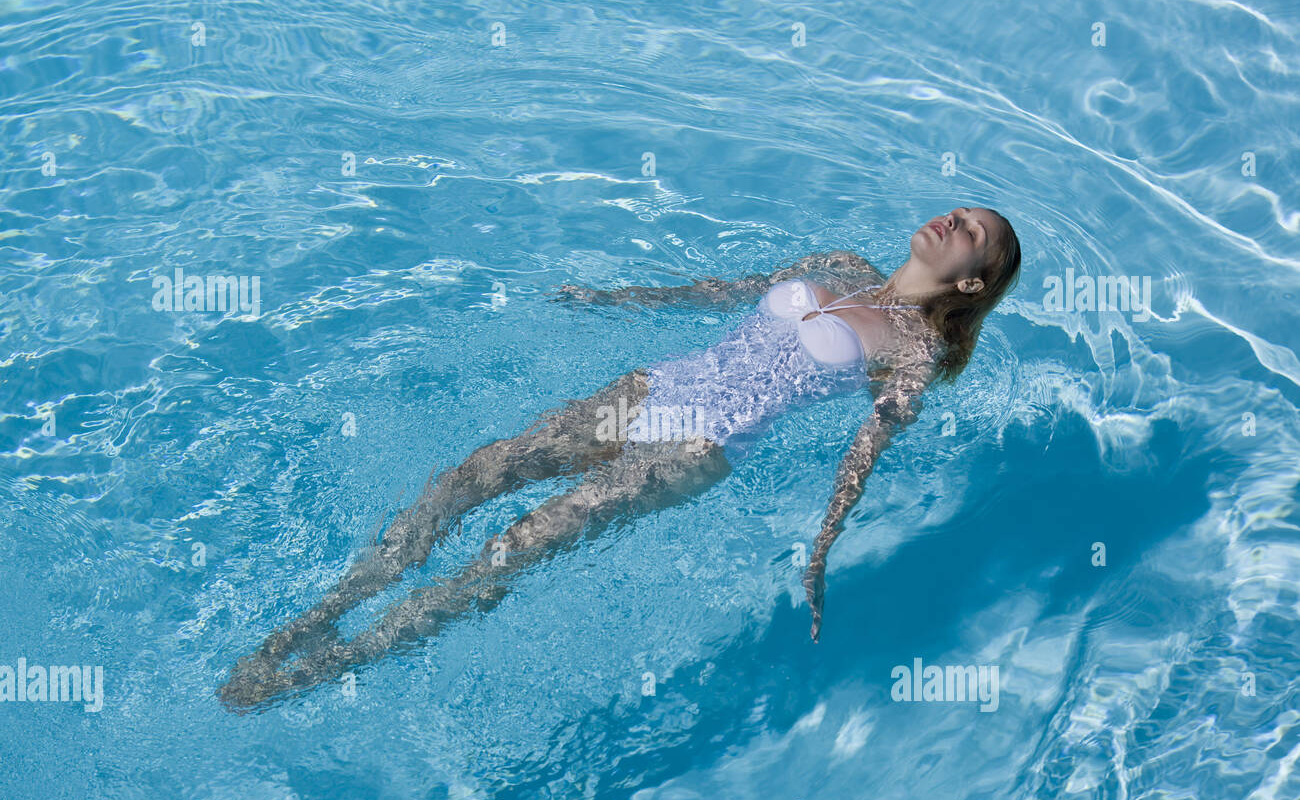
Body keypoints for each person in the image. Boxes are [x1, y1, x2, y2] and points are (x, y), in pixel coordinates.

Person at [219, 207, 1021, 708]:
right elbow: (718, 291)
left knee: (509, 547)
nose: (953, 221)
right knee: (473, 476)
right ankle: (318, 616)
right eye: (958, 210)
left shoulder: (912, 355)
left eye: (972, 232)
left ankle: (331, 664)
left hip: (697, 444)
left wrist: (821, 551)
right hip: (651, 388)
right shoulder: (841, 265)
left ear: (975, 280)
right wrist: (620, 298)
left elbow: (866, 450)